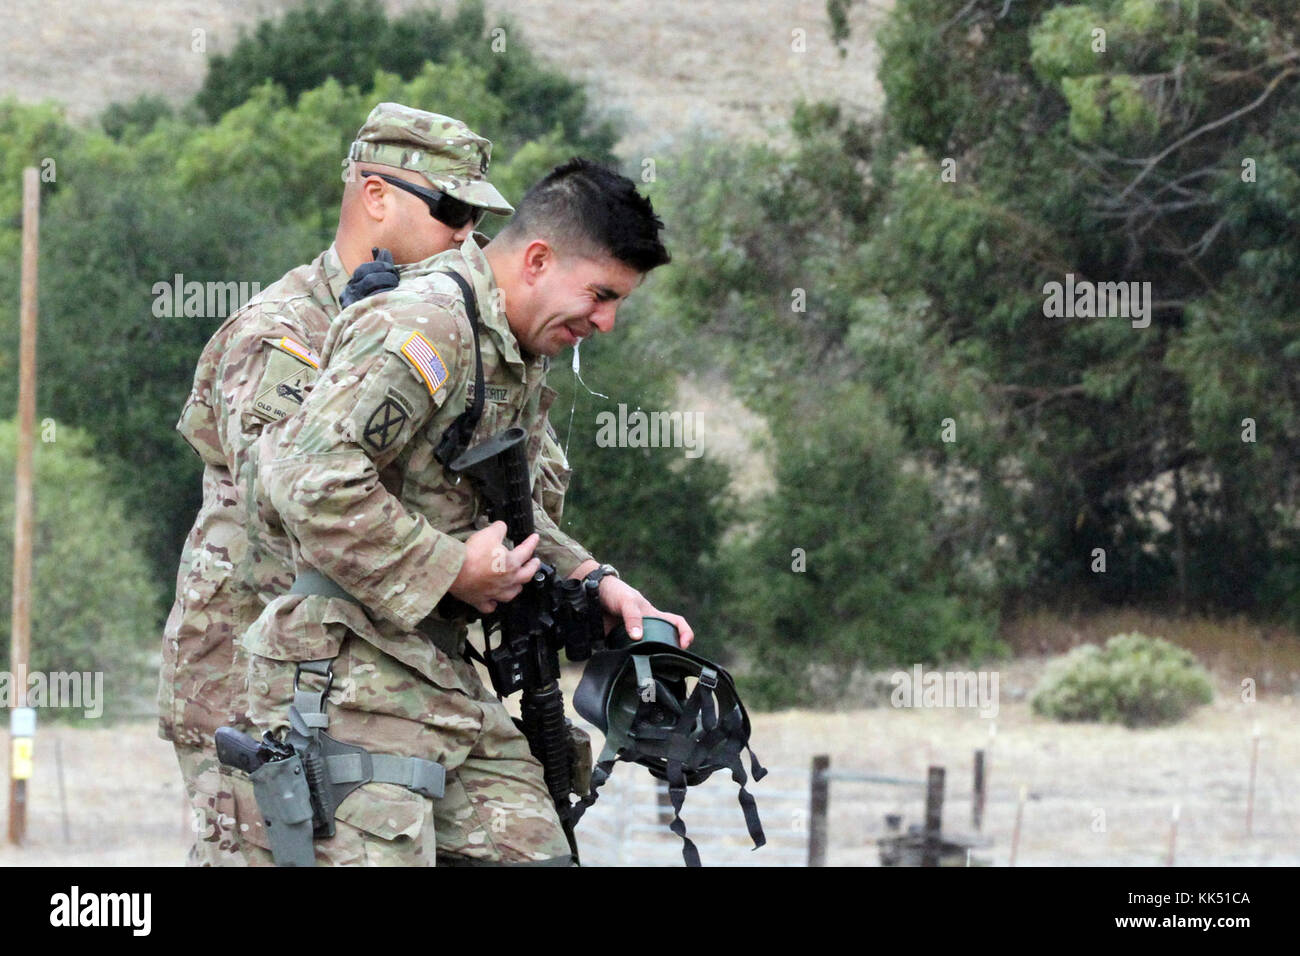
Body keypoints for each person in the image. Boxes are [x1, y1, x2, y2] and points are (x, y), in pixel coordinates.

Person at [157, 102, 577, 865]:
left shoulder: (453, 329)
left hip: (383, 676)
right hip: (250, 669)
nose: (464, 235)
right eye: (449, 208)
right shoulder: (287, 331)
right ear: (375, 195)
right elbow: (280, 503)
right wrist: (451, 567)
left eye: (475, 217)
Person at [237, 157, 690, 866]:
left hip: (437, 677)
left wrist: (594, 578)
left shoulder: (509, 351)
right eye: (601, 295)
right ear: (537, 259)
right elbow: (303, 477)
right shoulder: (426, 325)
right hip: (347, 673)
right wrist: (452, 567)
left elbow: (501, 513)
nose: (605, 321)